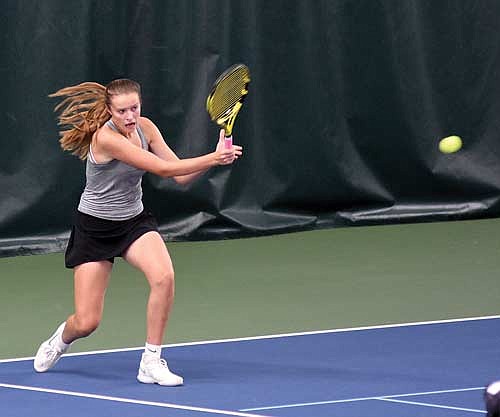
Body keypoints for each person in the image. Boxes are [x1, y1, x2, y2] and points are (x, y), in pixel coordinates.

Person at [33, 79, 242, 386]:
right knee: (87, 321)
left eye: (135, 107)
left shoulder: (146, 128)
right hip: (95, 227)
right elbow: (163, 170)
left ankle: (151, 361)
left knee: (164, 276)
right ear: (109, 111)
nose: (130, 116)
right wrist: (214, 158)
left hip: (133, 222)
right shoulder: (107, 139)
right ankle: (61, 339)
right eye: (122, 110)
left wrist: (213, 156)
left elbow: (180, 176)